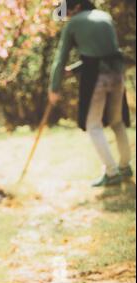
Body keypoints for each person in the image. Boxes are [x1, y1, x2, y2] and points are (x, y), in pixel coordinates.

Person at [48, 0, 133, 187]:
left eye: (67, 12)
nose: (67, 16)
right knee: (117, 122)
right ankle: (125, 167)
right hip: (117, 74)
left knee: (93, 125)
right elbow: (106, 53)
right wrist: (76, 69)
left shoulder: (75, 23)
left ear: (76, 7)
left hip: (97, 78)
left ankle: (111, 173)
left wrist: (54, 88)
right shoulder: (105, 17)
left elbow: (60, 58)